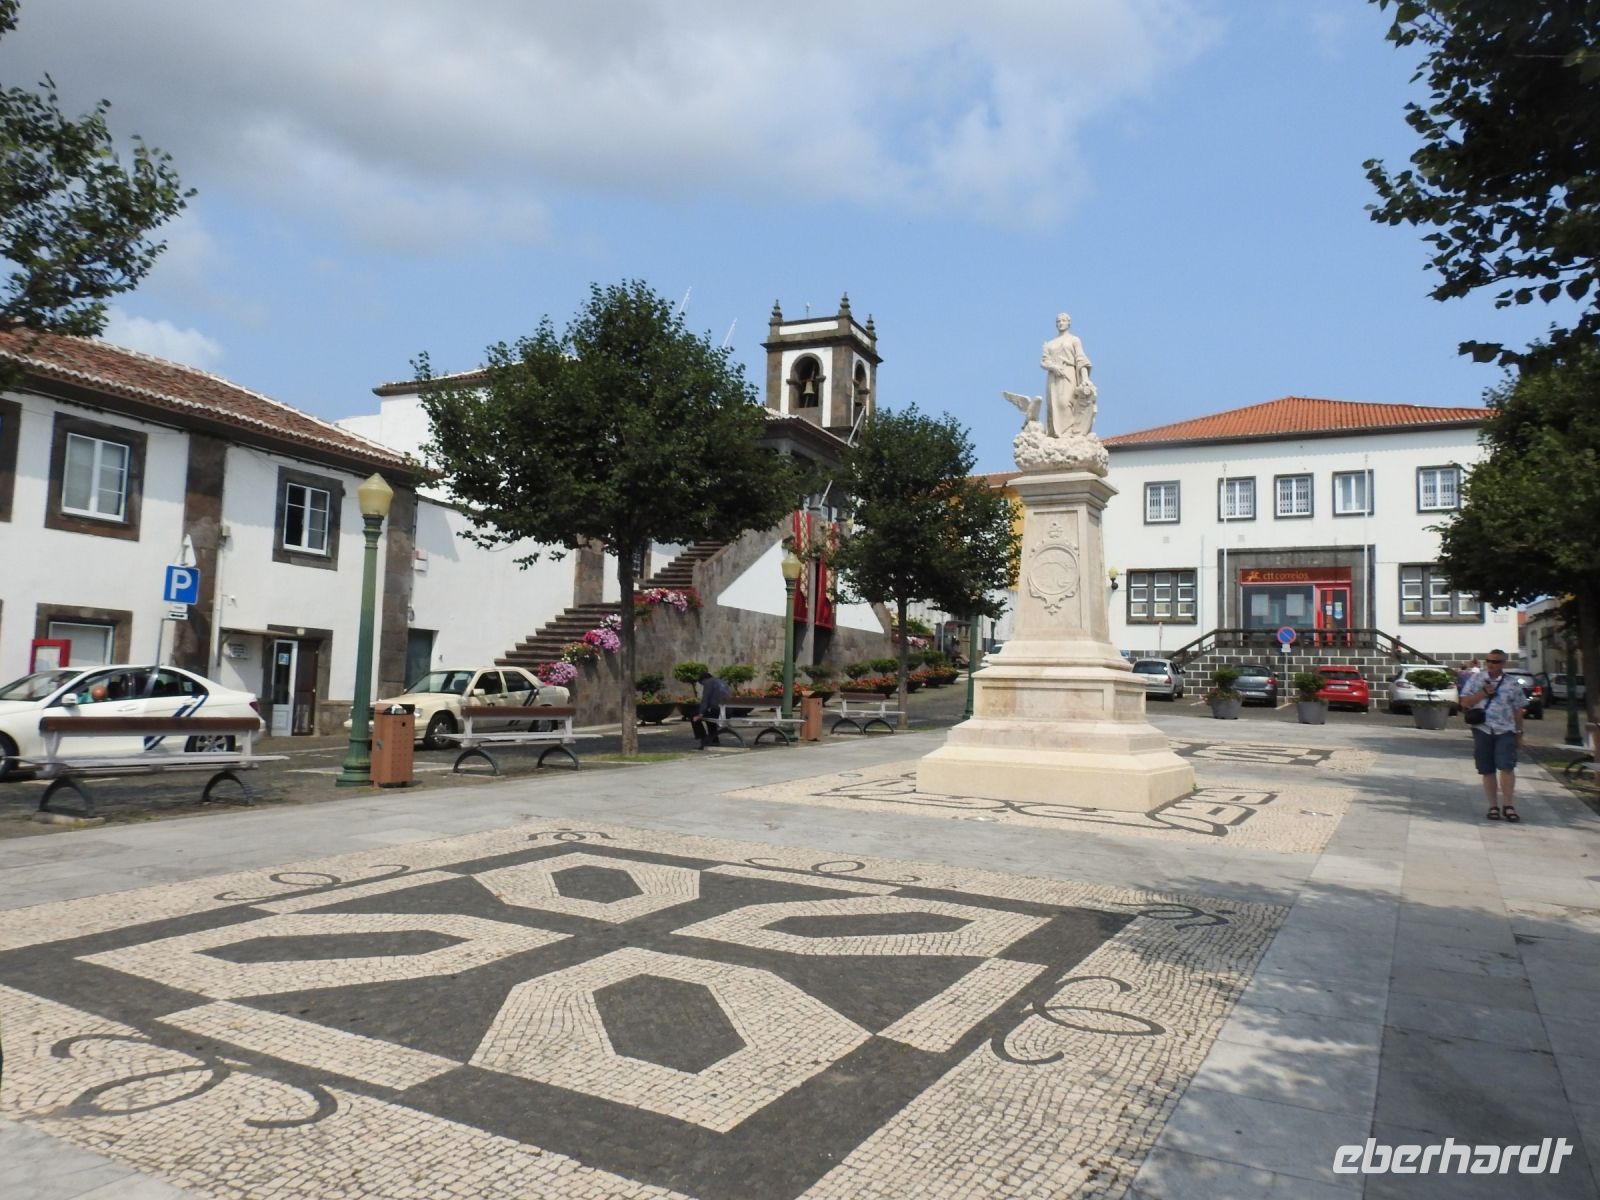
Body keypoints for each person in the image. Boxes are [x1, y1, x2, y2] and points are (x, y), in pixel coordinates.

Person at [1460, 649, 1528, 822]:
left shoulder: (1512, 683)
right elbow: (1464, 702)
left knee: (1507, 766)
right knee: (1486, 768)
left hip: (1505, 729)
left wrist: (1519, 733)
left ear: (1503, 663)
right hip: (1483, 728)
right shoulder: (1476, 679)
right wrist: (1483, 693)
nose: (1491, 664)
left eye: (1496, 662)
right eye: (1488, 660)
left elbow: (1518, 709)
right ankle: (1493, 806)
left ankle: (1508, 805)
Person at [1041, 312, 1096, 437]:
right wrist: (1053, 367)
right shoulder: (1049, 343)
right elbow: (1043, 362)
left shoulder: (1074, 340)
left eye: (1063, 321)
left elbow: (1081, 359)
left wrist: (1085, 379)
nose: (1060, 323)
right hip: (1053, 377)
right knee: (1053, 405)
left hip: (1069, 373)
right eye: (1058, 321)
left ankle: (1068, 432)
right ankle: (1056, 434)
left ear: (1069, 323)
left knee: (1065, 402)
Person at [687, 670, 731, 750]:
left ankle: (703, 738)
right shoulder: (721, 682)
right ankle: (714, 739)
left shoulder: (708, 682)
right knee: (709, 715)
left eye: (702, 684)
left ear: (703, 680)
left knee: (693, 715)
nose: (703, 686)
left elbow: (705, 699)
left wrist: (700, 714)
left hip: (719, 711)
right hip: (729, 711)